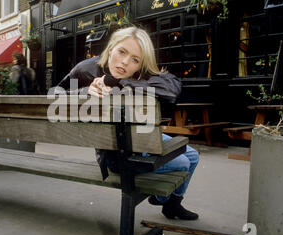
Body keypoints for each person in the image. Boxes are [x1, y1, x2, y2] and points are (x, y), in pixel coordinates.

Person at [56, 26, 199, 221]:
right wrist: (84, 93)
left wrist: (119, 82)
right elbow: (56, 94)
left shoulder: (140, 75)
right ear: (111, 47)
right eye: (122, 52)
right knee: (182, 162)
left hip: (141, 137)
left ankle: (171, 205)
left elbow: (172, 90)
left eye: (135, 60)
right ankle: (163, 198)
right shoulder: (86, 70)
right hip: (117, 154)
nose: (125, 62)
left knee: (193, 155)